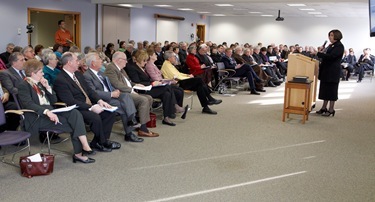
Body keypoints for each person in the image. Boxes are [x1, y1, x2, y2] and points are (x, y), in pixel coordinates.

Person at [17, 59, 95, 163]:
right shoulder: (24, 85)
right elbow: (28, 104)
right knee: (75, 124)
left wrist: (48, 87)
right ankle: (79, 153)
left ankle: (84, 147)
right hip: (36, 117)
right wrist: (46, 111)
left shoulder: (40, 83)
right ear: (33, 73)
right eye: (41, 72)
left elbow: (53, 100)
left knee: (75, 113)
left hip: (50, 112)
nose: (43, 73)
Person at [53, 52, 119, 152]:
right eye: (76, 60)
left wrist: (99, 100)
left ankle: (98, 142)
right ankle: (103, 142)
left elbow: (89, 91)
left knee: (109, 113)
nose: (79, 62)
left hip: (87, 104)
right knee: (95, 117)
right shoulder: (61, 79)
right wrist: (91, 107)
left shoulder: (78, 75)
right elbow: (70, 101)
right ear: (69, 63)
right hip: (76, 108)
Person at [83, 52, 144, 142]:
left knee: (126, 96)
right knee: (123, 107)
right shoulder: (87, 76)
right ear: (93, 63)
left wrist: (114, 91)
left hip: (111, 95)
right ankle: (129, 132)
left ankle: (131, 119)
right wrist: (111, 94)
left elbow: (108, 85)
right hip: (102, 99)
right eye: (99, 59)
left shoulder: (100, 73)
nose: (101, 61)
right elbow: (93, 92)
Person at [104, 51, 159, 137]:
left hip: (128, 91)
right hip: (121, 94)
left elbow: (128, 81)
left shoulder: (120, 69)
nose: (127, 61)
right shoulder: (111, 68)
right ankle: (143, 129)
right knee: (143, 99)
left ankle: (140, 122)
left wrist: (135, 85)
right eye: (125, 60)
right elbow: (116, 84)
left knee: (149, 97)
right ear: (118, 60)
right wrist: (131, 90)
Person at [126, 50, 184, 126]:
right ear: (139, 59)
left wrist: (155, 82)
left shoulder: (141, 67)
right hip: (143, 90)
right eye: (144, 60)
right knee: (167, 87)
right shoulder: (133, 68)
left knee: (167, 94)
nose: (146, 62)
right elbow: (137, 82)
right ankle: (175, 107)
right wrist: (152, 83)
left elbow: (146, 79)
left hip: (149, 87)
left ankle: (166, 117)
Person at [161, 50, 222, 115]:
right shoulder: (167, 65)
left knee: (200, 86)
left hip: (181, 80)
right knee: (199, 80)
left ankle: (205, 107)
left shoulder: (169, 64)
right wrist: (188, 77)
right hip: (177, 83)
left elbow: (178, 74)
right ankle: (209, 98)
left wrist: (187, 75)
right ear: (169, 58)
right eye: (174, 57)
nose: (175, 58)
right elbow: (175, 77)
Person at [315, 29, 345, 117]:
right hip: (326, 71)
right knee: (325, 90)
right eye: (329, 35)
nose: (329, 37)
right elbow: (325, 55)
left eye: (331, 35)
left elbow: (331, 57)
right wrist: (321, 51)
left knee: (332, 91)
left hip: (333, 72)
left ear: (337, 36)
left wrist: (318, 53)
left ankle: (331, 109)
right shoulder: (331, 45)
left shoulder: (339, 46)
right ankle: (324, 107)